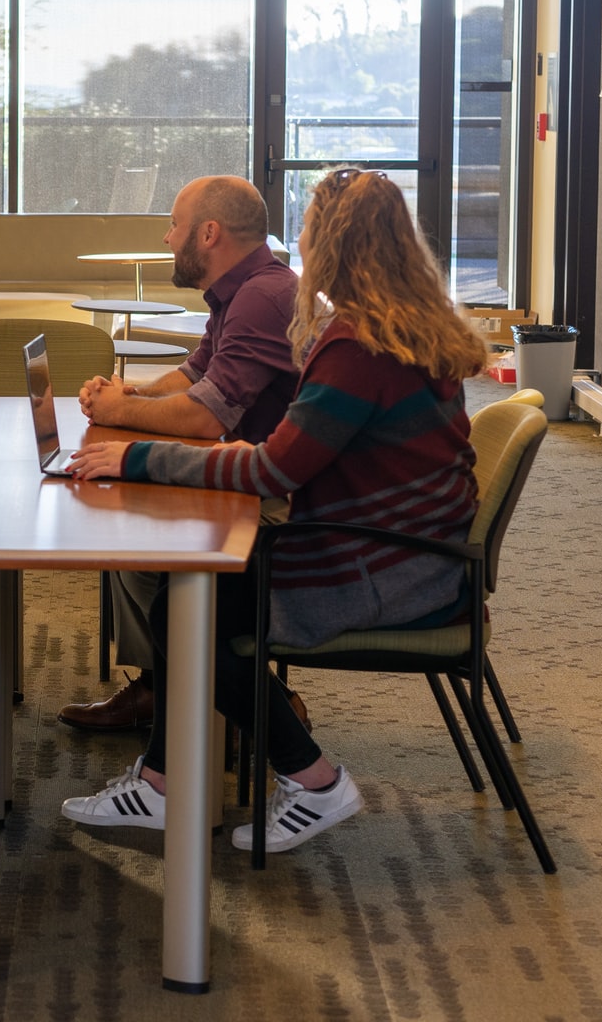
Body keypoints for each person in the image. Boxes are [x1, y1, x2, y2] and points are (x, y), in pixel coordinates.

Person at [61, 167, 489, 854]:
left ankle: (315, 782)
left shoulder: (357, 346)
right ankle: (164, 783)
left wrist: (134, 457)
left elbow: (270, 468)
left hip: (386, 569)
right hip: (409, 550)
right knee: (189, 596)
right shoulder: (404, 326)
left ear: (331, 247)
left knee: (189, 610)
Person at [59, 175, 300, 734]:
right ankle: (160, 684)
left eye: (174, 225)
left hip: (286, 503)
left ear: (209, 233)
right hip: (262, 474)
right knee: (128, 503)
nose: (168, 238)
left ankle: (198, 686)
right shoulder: (243, 291)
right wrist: (131, 395)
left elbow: (204, 416)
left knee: (134, 522)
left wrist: (118, 412)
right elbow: (194, 375)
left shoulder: (261, 298)